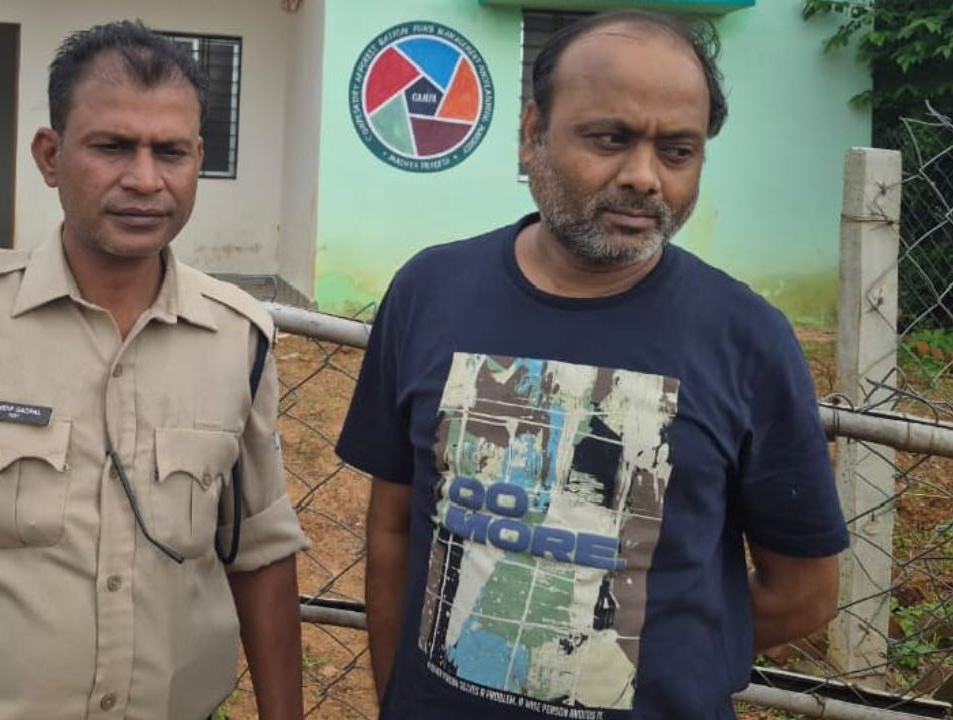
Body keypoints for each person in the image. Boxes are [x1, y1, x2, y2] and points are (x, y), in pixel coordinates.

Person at [337, 10, 849, 719]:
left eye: (677, 151)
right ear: (532, 133)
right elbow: (394, 529)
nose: (643, 177)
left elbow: (804, 594)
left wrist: (659, 648)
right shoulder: (429, 292)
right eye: (609, 138)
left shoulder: (748, 340)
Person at [0, 21, 308, 720]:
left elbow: (260, 552)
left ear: (198, 160)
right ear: (50, 156)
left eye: (171, 152)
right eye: (113, 146)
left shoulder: (238, 339)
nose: (145, 180)